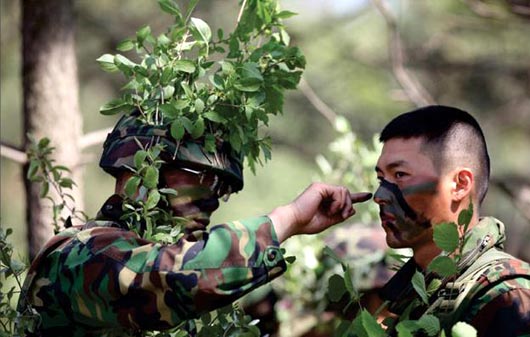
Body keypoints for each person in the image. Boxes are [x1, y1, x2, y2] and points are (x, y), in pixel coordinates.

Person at [18, 113, 372, 336]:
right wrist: (289, 219)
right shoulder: (79, 253)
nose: (214, 198)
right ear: (146, 166)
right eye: (202, 177)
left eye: (223, 189)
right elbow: (170, 276)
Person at [373, 105, 530, 336]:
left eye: (400, 175)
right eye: (380, 179)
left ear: (460, 185)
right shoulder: (407, 295)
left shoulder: (504, 294)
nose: (379, 197)